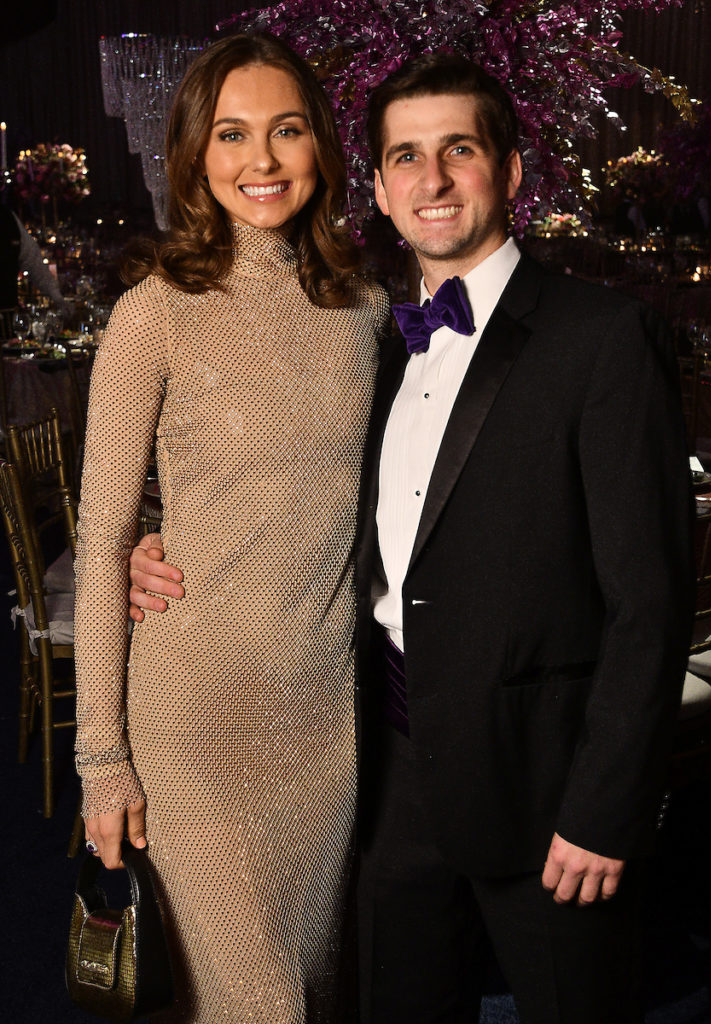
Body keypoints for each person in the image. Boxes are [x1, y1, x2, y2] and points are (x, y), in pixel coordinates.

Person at [129, 53, 694, 1024]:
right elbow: (289, 483)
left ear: (511, 170)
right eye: (406, 157)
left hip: (542, 794)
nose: (432, 179)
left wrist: (605, 808)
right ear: (381, 189)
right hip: (381, 778)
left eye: (459, 150)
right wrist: (150, 540)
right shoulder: (373, 342)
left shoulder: (604, 339)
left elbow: (651, 604)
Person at [74, 32, 387, 1024]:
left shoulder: (370, 311)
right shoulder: (154, 312)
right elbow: (99, 541)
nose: (261, 160)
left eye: (285, 130)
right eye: (232, 135)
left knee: (314, 988)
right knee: (260, 1003)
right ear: (195, 158)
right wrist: (100, 758)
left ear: (324, 148)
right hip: (194, 716)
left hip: (323, 720)